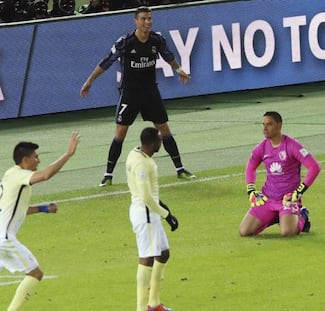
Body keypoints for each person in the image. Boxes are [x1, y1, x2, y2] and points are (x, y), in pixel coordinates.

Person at [80, 6, 195, 187]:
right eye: (143, 19)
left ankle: (180, 169)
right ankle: (108, 174)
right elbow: (106, 62)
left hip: (150, 92)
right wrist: (89, 81)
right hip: (130, 93)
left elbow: (168, 55)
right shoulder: (125, 42)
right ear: (136, 21)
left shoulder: (157, 40)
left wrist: (179, 69)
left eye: (149, 18)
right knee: (120, 132)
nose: (147, 22)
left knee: (164, 129)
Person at [0, 132, 80, 311]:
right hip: (4, 239)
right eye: (36, 157)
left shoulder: (10, 174)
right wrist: (68, 154)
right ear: (25, 160)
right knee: (35, 273)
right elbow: (46, 175)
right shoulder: (20, 175)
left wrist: (43, 209)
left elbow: (17, 210)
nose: (39, 160)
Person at [239, 111, 321, 237]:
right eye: (263, 124)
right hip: (268, 199)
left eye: (269, 124)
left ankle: (302, 217)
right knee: (244, 231)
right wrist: (251, 189)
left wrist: (298, 192)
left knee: (287, 233)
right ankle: (276, 217)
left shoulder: (292, 146)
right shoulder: (261, 147)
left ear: (279, 126)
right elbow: (250, 167)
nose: (265, 128)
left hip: (288, 200)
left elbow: (314, 167)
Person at [126, 127, 179, 311]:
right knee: (147, 259)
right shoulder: (142, 164)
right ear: (153, 143)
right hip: (146, 214)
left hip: (150, 212)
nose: (161, 143)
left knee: (163, 253)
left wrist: (164, 209)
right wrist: (166, 215)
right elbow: (146, 197)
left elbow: (151, 194)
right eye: (160, 140)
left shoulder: (135, 153)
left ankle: (154, 303)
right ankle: (142, 308)